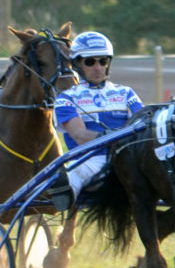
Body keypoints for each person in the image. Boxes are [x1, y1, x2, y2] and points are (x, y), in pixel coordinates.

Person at [50, 31, 143, 207]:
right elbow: (79, 135)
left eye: (103, 61)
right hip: (89, 161)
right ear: (77, 64)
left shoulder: (126, 93)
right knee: (73, 173)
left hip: (127, 159)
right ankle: (67, 218)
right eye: (90, 62)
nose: (98, 67)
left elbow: (142, 124)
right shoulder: (66, 98)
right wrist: (114, 136)